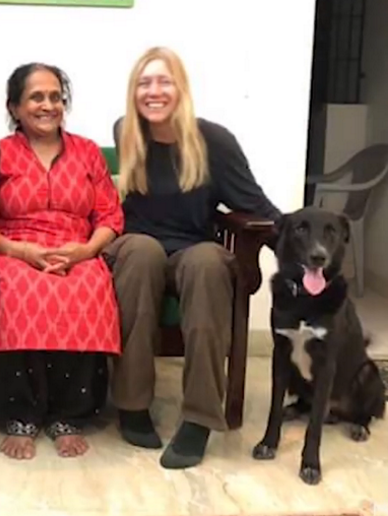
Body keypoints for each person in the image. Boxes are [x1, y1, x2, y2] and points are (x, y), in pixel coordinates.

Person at [103, 46, 282, 469]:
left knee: (207, 262)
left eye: (164, 81)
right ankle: (131, 405)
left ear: (181, 88)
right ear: (133, 92)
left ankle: (199, 418)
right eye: (144, 83)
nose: (154, 91)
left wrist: (302, 251)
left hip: (191, 248)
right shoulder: (126, 132)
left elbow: (255, 205)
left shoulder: (214, 142)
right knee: (142, 252)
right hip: (137, 249)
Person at [0, 63, 123, 460]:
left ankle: (69, 414)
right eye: (36, 97)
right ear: (15, 107)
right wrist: (22, 252)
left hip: (78, 247)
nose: (48, 105)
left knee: (88, 286)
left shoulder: (87, 151)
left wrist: (86, 251)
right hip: (15, 248)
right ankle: (20, 413)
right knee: (16, 290)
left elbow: (110, 216)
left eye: (56, 97)